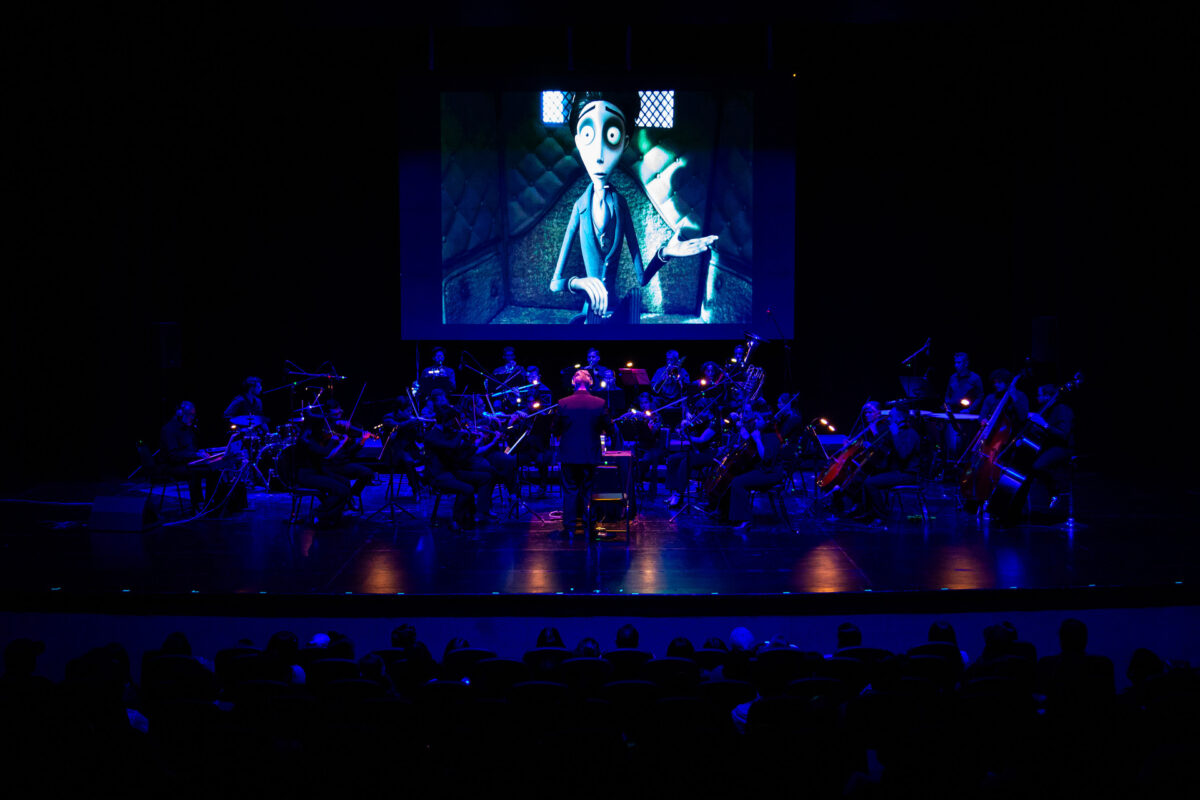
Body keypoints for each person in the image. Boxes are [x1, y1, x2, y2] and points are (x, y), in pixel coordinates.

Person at [548, 91, 717, 325]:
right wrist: (578, 282)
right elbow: (555, 283)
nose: (599, 155)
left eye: (612, 135)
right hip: (589, 316)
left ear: (625, 142)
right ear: (578, 140)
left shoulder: (620, 204)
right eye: (588, 135)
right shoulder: (579, 207)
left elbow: (642, 278)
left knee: (633, 311)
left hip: (616, 313)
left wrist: (666, 253)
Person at [552, 369, 612, 536]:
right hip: (590, 454)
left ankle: (570, 528)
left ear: (573, 382)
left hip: (569, 454)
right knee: (588, 490)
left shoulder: (563, 402)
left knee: (570, 491)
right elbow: (609, 428)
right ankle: (589, 527)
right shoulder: (599, 403)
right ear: (591, 382)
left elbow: (554, 428)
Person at [422, 406, 496, 531]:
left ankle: (480, 513)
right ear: (446, 421)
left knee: (487, 477)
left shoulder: (448, 433)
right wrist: (461, 434)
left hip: (452, 471)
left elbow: (462, 451)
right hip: (438, 475)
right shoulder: (431, 436)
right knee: (468, 489)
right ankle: (456, 520)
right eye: (453, 421)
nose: (454, 424)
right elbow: (451, 446)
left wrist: (475, 440)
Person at [851, 402, 921, 525]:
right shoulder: (897, 432)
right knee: (866, 477)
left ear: (899, 418)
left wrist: (895, 434)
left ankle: (881, 516)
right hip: (896, 471)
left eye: (891, 416)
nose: (888, 418)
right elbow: (886, 448)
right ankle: (869, 513)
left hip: (907, 474)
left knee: (870, 483)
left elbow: (903, 455)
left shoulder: (910, 433)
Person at [723, 412, 786, 530]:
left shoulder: (772, 437)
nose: (755, 421)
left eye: (758, 419)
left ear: (766, 422)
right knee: (733, 477)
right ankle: (725, 513)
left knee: (738, 482)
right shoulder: (762, 434)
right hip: (762, 469)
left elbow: (765, 458)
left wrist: (757, 440)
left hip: (770, 473)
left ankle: (744, 520)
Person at [160, 401, 219, 511]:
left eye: (193, 415)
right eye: (190, 415)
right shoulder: (169, 430)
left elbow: (191, 449)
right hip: (172, 466)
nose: (192, 418)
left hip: (187, 462)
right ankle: (198, 504)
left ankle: (211, 504)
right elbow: (173, 455)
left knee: (214, 469)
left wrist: (201, 453)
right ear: (180, 413)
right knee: (194, 472)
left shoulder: (188, 428)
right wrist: (195, 455)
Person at [1027, 383, 1075, 510]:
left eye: (1040, 395)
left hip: (1063, 447)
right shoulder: (1046, 410)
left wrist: (1044, 424)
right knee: (1026, 464)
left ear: (1048, 396)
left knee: (1037, 466)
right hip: (1048, 446)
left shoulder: (1062, 409)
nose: (1037, 398)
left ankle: (1057, 489)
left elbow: (1063, 434)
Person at [665, 408, 720, 508]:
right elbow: (686, 429)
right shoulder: (702, 421)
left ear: (709, 411)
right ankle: (673, 491)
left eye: (702, 411)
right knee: (672, 459)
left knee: (686, 461)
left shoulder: (714, 423)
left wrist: (687, 436)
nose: (699, 413)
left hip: (709, 454)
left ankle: (679, 493)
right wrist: (683, 425)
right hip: (696, 451)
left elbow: (701, 439)